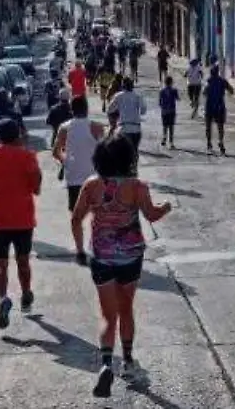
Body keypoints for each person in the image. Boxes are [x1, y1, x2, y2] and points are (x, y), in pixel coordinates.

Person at [71, 135, 173, 398]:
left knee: (108, 315)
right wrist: (166, 207)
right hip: (130, 257)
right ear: (129, 158)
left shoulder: (91, 185)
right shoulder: (137, 186)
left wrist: (80, 249)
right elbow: (151, 215)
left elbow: (76, 218)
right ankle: (127, 362)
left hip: (102, 257)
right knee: (126, 310)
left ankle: (106, 364)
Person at [0, 119, 42, 329]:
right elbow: (36, 187)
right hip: (23, 218)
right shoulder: (27, 156)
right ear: (18, 135)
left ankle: (3, 298)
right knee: (23, 260)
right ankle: (26, 293)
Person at [53, 97, 106, 212]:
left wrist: (65, 161)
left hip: (73, 176)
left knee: (76, 215)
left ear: (71, 110)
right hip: (93, 176)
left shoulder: (64, 128)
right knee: (97, 212)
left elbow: (56, 152)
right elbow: (104, 152)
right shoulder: (97, 127)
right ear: (87, 109)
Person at [107, 77, 147, 168]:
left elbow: (110, 109)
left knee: (121, 151)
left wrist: (115, 117)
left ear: (123, 86)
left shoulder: (118, 96)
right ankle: (134, 167)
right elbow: (144, 110)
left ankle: (123, 168)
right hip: (136, 128)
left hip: (123, 129)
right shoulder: (138, 96)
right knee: (135, 150)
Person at [203, 65, 233, 155]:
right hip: (220, 107)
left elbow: (204, 92)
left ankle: (209, 144)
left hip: (209, 107)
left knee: (208, 127)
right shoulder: (222, 81)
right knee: (220, 127)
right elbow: (231, 90)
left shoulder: (208, 81)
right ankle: (221, 142)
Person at [158, 76, 180, 149]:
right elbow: (178, 98)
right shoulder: (174, 90)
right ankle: (171, 142)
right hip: (171, 110)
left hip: (164, 111)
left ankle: (164, 137)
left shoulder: (161, 91)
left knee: (165, 126)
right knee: (171, 126)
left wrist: (163, 106)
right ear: (171, 82)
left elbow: (160, 102)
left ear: (165, 82)